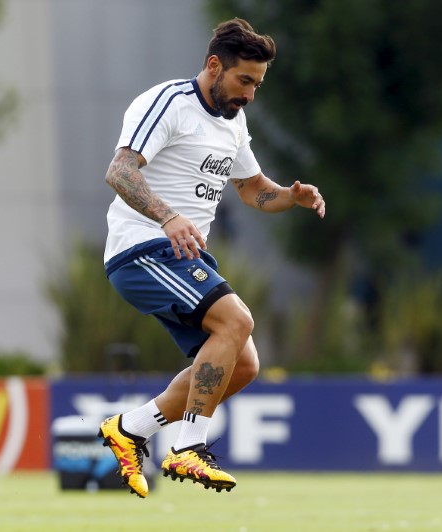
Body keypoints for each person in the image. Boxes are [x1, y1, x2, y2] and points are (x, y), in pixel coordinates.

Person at [98, 18, 326, 498]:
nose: (250, 94)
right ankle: (187, 447)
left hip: (179, 252)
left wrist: (290, 196)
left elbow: (251, 190)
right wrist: (167, 216)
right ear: (213, 65)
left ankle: (132, 429)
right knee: (235, 319)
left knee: (242, 365)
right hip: (142, 248)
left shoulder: (234, 122)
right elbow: (119, 171)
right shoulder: (169, 103)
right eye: (244, 80)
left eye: (258, 85)